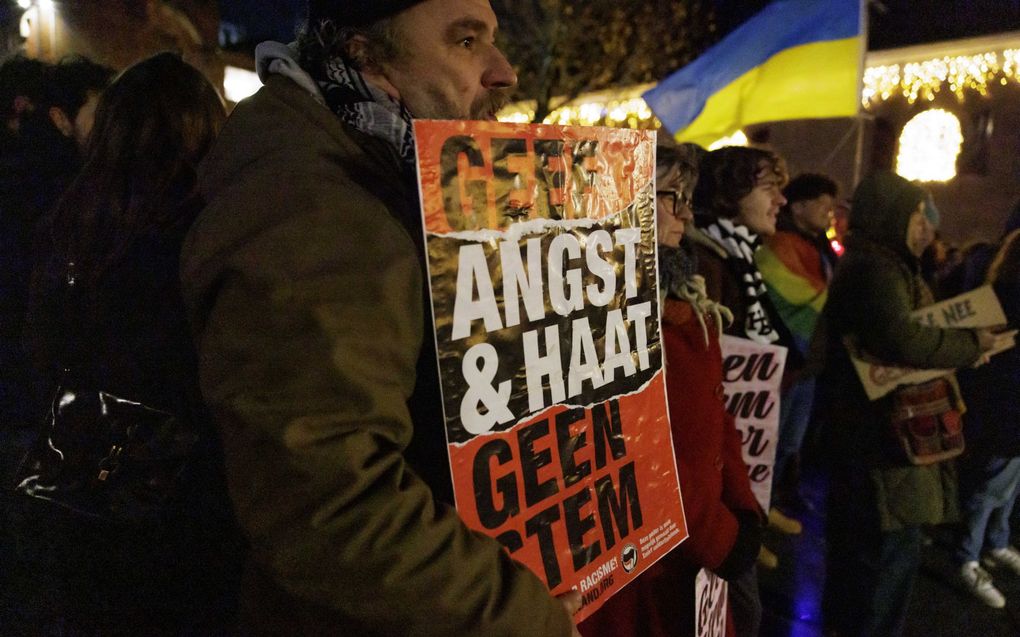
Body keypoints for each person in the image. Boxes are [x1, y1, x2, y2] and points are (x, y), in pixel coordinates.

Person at [179, 1, 579, 634]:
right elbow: (330, 507)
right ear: (364, 54)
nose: (502, 72)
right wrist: (521, 615)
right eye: (467, 41)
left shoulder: (381, 169)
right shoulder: (318, 206)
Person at [12, 52, 244, 633]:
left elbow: (40, 346)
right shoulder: (212, 233)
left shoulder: (72, 220)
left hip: (81, 475)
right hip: (186, 497)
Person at [580, 140, 762, 637]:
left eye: (687, 198)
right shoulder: (603, 320)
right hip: (647, 572)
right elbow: (654, 455)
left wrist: (742, 510)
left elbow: (715, 412)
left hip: (696, 553)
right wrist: (721, 538)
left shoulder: (682, 299)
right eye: (670, 197)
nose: (685, 213)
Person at [817, 170, 997, 637]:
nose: (928, 227)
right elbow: (900, 338)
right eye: (919, 215)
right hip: (884, 440)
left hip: (884, 435)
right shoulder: (878, 267)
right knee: (882, 562)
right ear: (894, 216)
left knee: (873, 560)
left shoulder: (882, 263)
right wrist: (968, 346)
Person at [688, 144, 789, 634]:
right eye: (769, 186)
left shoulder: (738, 257)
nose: (781, 200)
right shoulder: (707, 262)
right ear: (731, 194)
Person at [755, 173, 839, 514]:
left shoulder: (817, 246)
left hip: (808, 360)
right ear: (799, 205)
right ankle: (757, 511)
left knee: (788, 442)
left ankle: (769, 504)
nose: (829, 213)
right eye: (823, 204)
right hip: (787, 358)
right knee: (770, 440)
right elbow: (794, 293)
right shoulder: (780, 243)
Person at [952, 225, 1020, 608]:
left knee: (1010, 481)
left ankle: (996, 541)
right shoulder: (1007, 293)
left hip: (1008, 398)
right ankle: (968, 557)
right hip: (1006, 399)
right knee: (993, 481)